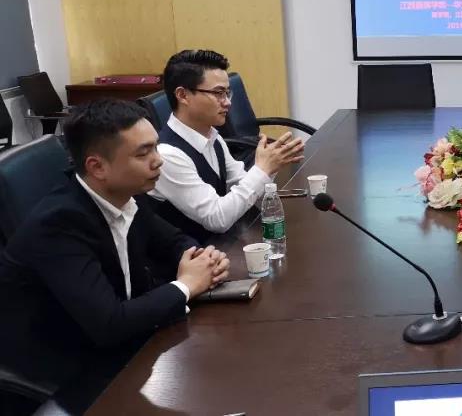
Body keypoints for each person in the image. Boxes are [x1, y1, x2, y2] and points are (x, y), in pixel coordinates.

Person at [0, 100, 229, 402]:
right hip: (64, 367)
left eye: (155, 147)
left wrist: (203, 260)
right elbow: (109, 324)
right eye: (143, 153)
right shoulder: (58, 225)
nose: (158, 161)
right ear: (97, 167)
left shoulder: (128, 193)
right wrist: (187, 284)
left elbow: (174, 241)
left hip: (123, 341)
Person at [149, 49, 304, 242]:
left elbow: (249, 191)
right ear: (183, 95)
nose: (228, 102)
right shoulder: (167, 156)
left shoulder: (213, 136)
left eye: (227, 93)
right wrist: (262, 170)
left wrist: (270, 166)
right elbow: (217, 218)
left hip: (223, 245)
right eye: (218, 93)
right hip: (193, 255)